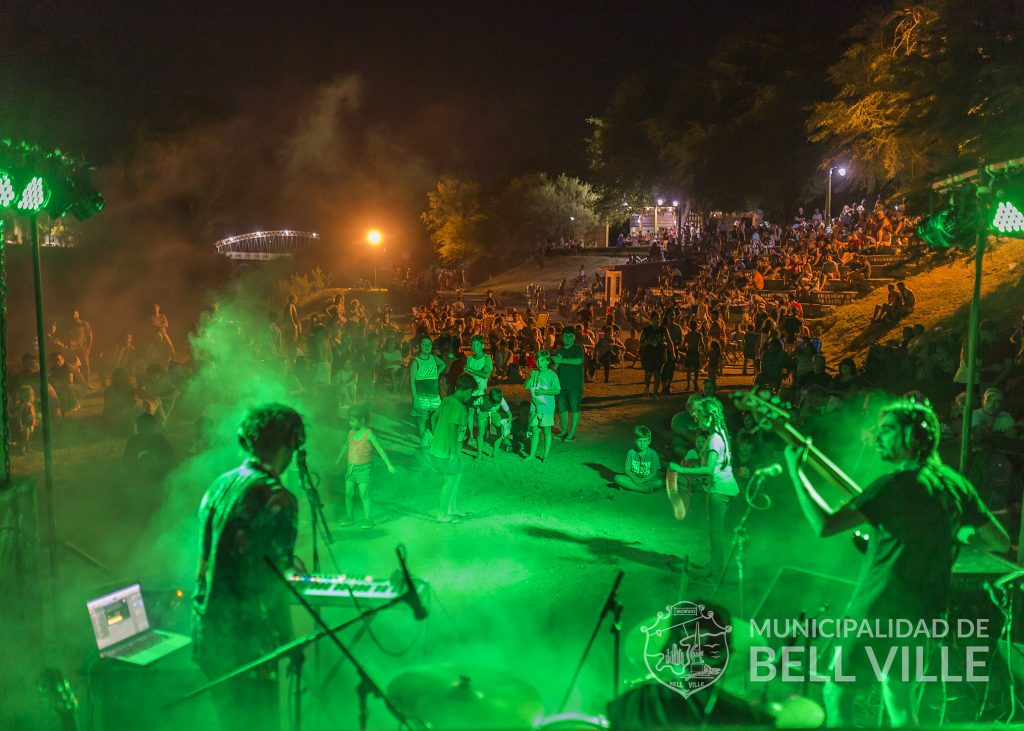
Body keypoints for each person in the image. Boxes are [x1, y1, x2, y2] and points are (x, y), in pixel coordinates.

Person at [782, 398, 1009, 727]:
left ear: (914, 437)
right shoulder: (957, 485)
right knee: (899, 702)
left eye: (888, 430)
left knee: (836, 692)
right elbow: (999, 541)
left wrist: (796, 471)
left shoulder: (894, 484)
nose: (879, 437)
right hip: (927, 613)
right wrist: (956, 534)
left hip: (878, 609)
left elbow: (825, 525)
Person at [192, 404, 306, 731]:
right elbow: (273, 585)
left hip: (208, 635)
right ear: (289, 442)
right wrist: (288, 641)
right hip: (248, 641)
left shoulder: (220, 484)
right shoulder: (277, 498)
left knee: (230, 722)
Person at [666, 398, 739, 581]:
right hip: (726, 488)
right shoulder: (721, 433)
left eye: (698, 417)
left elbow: (709, 469)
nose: (696, 420)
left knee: (715, 533)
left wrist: (682, 470)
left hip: (719, 491)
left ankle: (715, 573)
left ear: (709, 417)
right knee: (715, 532)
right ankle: (713, 566)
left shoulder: (714, 439)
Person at [338, 403, 395, 529]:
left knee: (364, 494)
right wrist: (338, 459)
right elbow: (346, 445)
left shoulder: (368, 434)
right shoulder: (351, 433)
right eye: (349, 420)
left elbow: (379, 448)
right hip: (351, 469)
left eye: (352, 420)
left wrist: (389, 464)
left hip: (364, 470)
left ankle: (368, 519)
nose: (349, 423)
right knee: (348, 493)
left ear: (362, 420)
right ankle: (349, 516)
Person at [429, 374, 476, 523]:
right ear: (468, 391)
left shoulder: (447, 400)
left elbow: (433, 418)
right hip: (447, 452)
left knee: (457, 475)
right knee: (449, 481)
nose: (470, 396)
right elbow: (452, 429)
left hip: (439, 449)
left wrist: (437, 436)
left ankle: (452, 508)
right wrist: (454, 454)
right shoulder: (459, 407)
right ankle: (442, 514)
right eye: (470, 393)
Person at [409, 335, 447, 449]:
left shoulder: (433, 358)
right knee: (422, 418)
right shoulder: (416, 361)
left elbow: (443, 364)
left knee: (435, 417)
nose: (427, 346)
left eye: (429, 344)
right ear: (418, 346)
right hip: (422, 395)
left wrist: (437, 373)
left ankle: (430, 438)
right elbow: (411, 382)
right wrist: (415, 399)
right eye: (424, 344)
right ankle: (423, 442)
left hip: (434, 395)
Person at [524, 350, 561, 461]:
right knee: (535, 431)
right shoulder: (535, 373)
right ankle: (532, 455)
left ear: (548, 361)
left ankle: (545, 456)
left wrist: (544, 392)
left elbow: (557, 390)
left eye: (542, 360)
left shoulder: (551, 374)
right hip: (534, 407)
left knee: (547, 431)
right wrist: (531, 378)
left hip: (547, 407)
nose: (539, 363)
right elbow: (525, 386)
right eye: (538, 360)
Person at [553, 327, 585, 442]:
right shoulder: (558, 351)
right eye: (565, 336)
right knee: (562, 409)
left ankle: (571, 433)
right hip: (561, 385)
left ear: (574, 337)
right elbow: (553, 369)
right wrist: (557, 362)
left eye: (570, 336)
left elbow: (579, 361)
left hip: (575, 386)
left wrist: (561, 360)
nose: (567, 338)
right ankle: (564, 431)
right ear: (562, 337)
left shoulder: (577, 348)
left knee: (574, 408)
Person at [464, 334, 494, 452]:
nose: (474, 347)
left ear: (482, 345)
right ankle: (471, 435)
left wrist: (472, 370)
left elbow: (486, 375)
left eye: (477, 345)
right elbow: (468, 376)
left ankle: (486, 435)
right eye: (473, 345)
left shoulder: (486, 358)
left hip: (482, 391)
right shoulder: (469, 359)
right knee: (470, 413)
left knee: (483, 415)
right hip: (471, 391)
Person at [613, 425, 663, 492]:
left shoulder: (653, 454)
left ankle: (633, 487)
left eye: (645, 441)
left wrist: (642, 480)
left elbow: (654, 473)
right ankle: (642, 489)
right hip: (633, 479)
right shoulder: (631, 452)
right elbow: (627, 470)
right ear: (635, 441)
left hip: (646, 479)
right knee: (617, 478)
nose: (642, 444)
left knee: (659, 482)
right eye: (639, 441)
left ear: (649, 442)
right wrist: (635, 479)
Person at [477, 387, 513, 456]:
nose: (496, 405)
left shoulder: (501, 400)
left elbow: (509, 414)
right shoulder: (482, 399)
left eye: (498, 403)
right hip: (483, 412)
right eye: (494, 403)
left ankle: (494, 453)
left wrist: (508, 426)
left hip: (494, 413)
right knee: (480, 431)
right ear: (489, 398)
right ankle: (479, 454)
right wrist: (477, 408)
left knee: (500, 430)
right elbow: (474, 404)